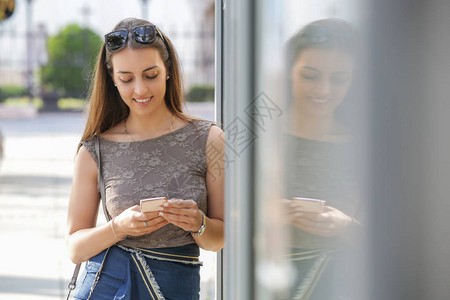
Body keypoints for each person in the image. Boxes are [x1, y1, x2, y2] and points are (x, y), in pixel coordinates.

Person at [66, 18, 224, 299]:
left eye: (150, 75)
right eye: (126, 79)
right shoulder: (95, 150)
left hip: (175, 286)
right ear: (113, 79)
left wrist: (197, 222)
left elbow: (219, 238)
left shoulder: (208, 138)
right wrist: (118, 227)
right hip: (106, 286)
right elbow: (75, 247)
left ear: (167, 71)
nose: (140, 90)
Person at [283, 18, 362, 299]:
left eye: (339, 79)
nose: (324, 90)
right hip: (266, 282)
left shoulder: (365, 142)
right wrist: (261, 215)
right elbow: (216, 219)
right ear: (288, 71)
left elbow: (395, 241)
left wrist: (345, 225)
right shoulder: (255, 130)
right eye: (310, 75)